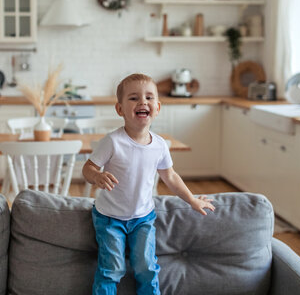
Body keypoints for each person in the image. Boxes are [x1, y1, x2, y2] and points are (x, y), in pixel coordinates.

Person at [83, 73, 216, 295]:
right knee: (112, 269)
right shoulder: (112, 141)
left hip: (143, 218)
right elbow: (87, 168)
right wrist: (97, 176)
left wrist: (192, 199)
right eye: (134, 98)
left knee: (146, 267)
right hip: (109, 218)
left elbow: (171, 177)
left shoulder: (160, 145)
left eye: (149, 98)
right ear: (120, 109)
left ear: (158, 107)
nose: (143, 102)